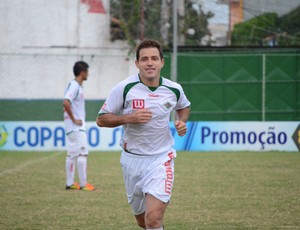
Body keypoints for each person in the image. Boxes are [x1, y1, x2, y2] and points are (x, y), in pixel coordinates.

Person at [96, 39, 190, 229]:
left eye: (154, 58)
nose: (149, 63)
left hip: (161, 159)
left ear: (162, 62)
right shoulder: (124, 88)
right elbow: (101, 119)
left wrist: (181, 121)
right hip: (132, 161)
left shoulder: (174, 89)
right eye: (144, 59)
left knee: (153, 218)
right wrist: (129, 118)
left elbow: (184, 106)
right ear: (137, 63)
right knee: (142, 222)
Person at [63, 61, 96, 191]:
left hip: (70, 127)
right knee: (83, 153)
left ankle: (70, 183)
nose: (88, 74)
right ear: (82, 72)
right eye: (87, 71)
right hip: (76, 127)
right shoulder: (75, 85)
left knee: (71, 154)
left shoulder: (74, 86)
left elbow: (66, 102)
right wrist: (74, 119)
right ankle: (83, 184)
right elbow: (66, 102)